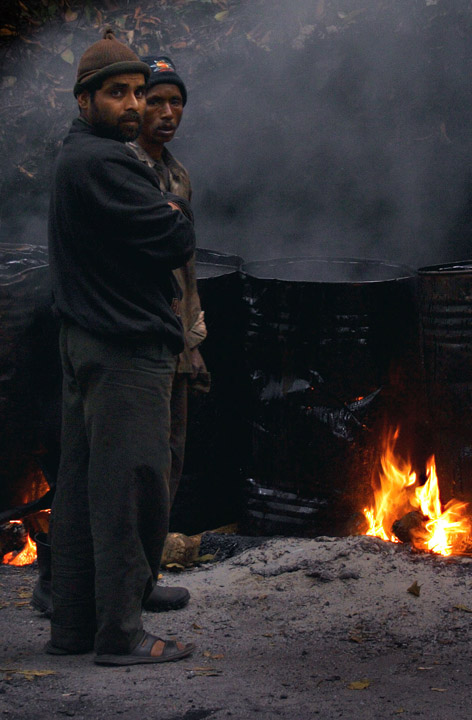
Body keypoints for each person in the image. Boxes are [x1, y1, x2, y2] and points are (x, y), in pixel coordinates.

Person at [47, 28, 196, 665]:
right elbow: (174, 237)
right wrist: (171, 212)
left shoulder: (81, 155)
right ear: (85, 101)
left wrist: (164, 210)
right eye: (118, 94)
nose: (134, 105)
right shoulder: (104, 161)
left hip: (90, 342)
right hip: (125, 348)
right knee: (132, 488)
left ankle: (75, 626)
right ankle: (121, 633)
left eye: (140, 92)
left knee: (83, 488)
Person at [128, 56, 210, 516]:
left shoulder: (178, 176)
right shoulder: (123, 170)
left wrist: (193, 341)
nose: (166, 113)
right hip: (138, 338)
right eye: (155, 100)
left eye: (175, 102)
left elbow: (187, 268)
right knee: (141, 457)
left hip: (174, 338)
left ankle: (149, 563)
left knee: (172, 456)